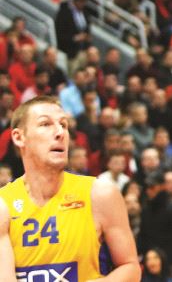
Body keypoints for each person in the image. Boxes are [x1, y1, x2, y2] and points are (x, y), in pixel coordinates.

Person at [0, 96, 140, 280]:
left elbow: (131, 268)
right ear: (19, 137)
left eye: (63, 125)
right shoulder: (4, 205)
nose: (60, 132)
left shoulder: (100, 194)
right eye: (45, 124)